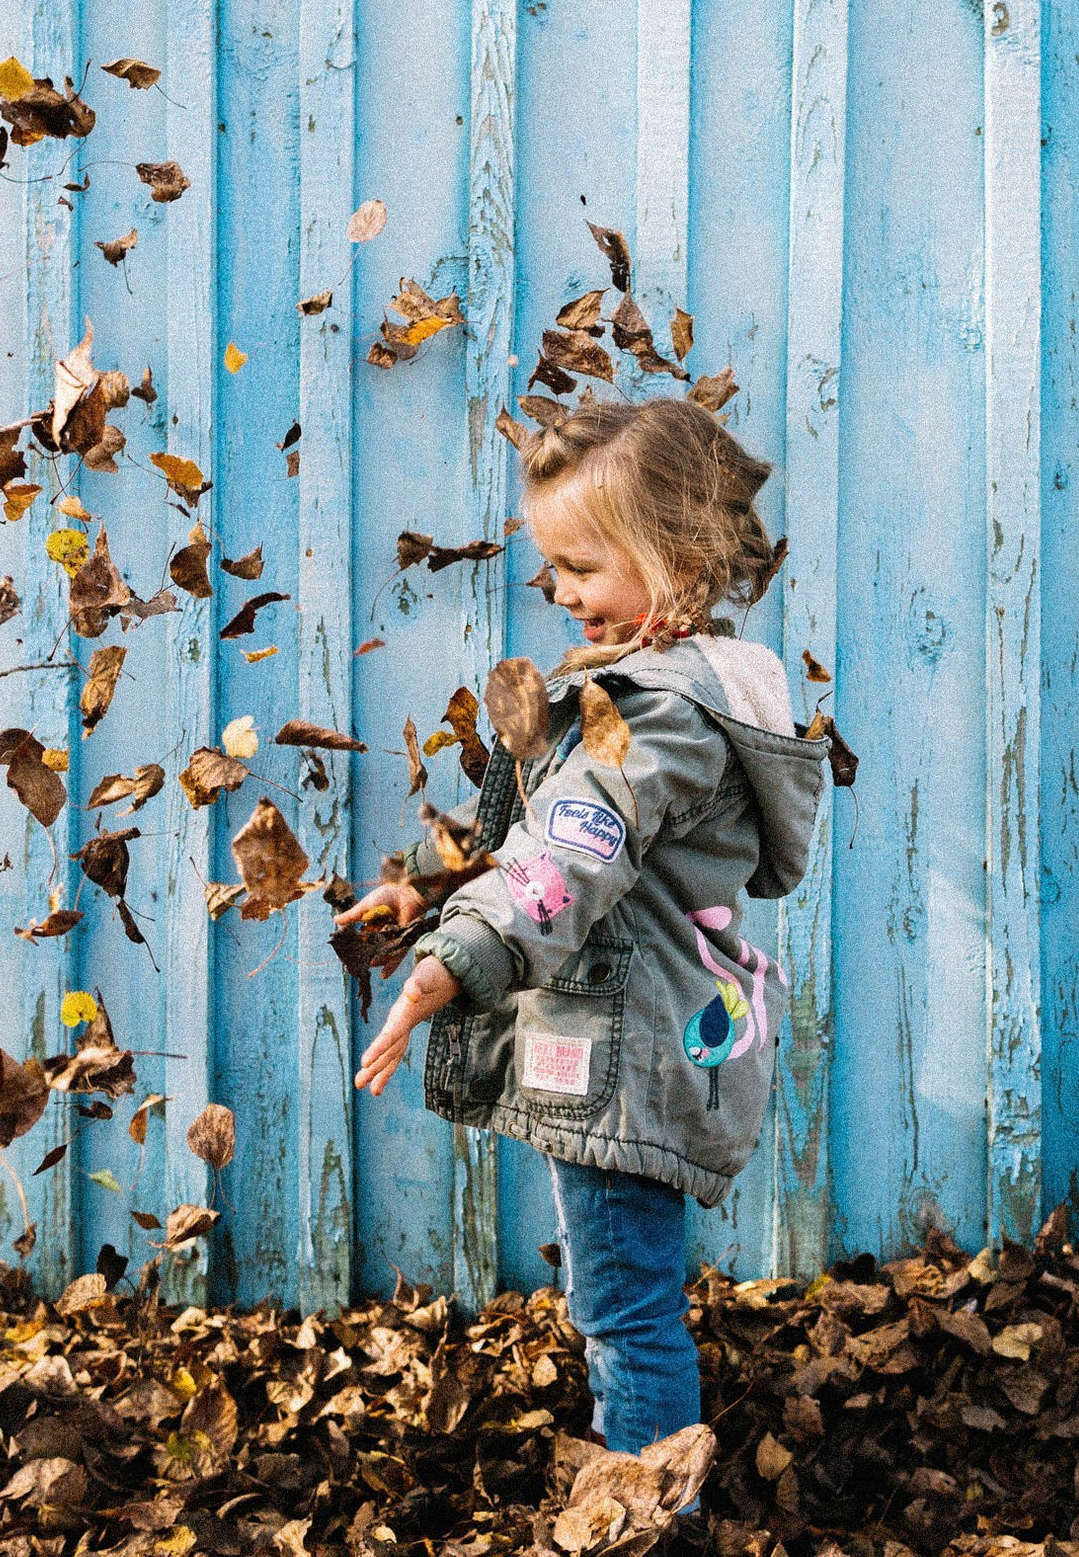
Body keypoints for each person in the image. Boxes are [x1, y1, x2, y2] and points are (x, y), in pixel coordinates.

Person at [340, 395, 828, 1460]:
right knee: (623, 1297)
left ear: (681, 563)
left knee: (623, 1315)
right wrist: (426, 884)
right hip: (658, 1034)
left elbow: (573, 848)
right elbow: (543, 819)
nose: (560, 591)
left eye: (582, 566)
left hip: (627, 1055)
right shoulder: (683, 692)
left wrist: (453, 963)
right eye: (551, 566)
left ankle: (648, 1511)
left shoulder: (659, 716)